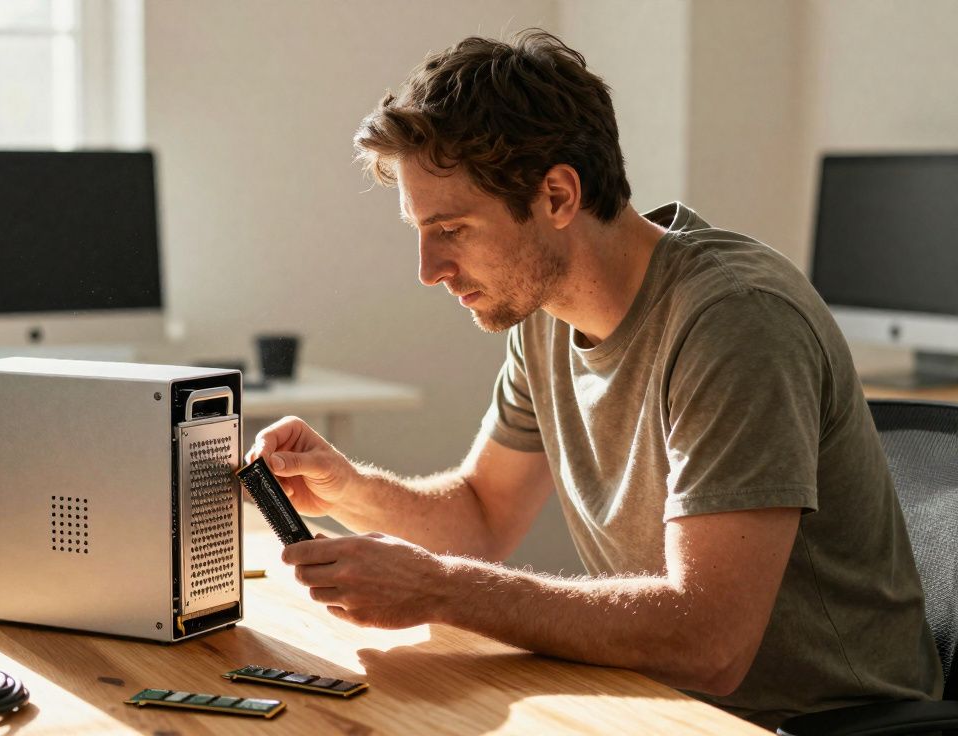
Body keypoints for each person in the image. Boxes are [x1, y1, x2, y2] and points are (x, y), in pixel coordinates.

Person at [244, 29, 942, 728]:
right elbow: (482, 516)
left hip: (804, 721)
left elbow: (710, 641)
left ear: (556, 195)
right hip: (660, 701)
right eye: (420, 231)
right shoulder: (542, 314)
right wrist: (350, 490)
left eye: (452, 229)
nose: (429, 269)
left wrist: (440, 589)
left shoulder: (735, 321)